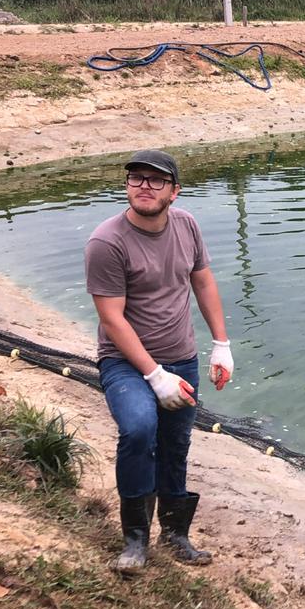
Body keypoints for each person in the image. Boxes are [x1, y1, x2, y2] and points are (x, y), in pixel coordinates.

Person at [84, 149, 233, 574]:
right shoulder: (107, 242)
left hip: (182, 358)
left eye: (155, 180)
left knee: (175, 445)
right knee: (138, 429)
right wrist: (153, 375)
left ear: (174, 191)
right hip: (125, 363)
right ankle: (134, 540)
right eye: (136, 178)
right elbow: (111, 318)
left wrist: (220, 344)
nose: (144, 186)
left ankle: (175, 533)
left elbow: (202, 280)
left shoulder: (187, 225)